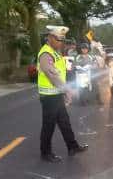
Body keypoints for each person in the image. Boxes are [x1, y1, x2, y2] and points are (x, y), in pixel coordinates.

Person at [37, 26, 88, 162]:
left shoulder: (56, 52)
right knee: (49, 125)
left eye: (62, 40)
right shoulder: (45, 54)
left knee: (64, 122)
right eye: (59, 39)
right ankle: (45, 153)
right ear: (50, 38)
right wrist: (68, 90)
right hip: (48, 97)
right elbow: (52, 75)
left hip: (56, 95)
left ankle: (72, 147)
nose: (61, 42)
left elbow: (61, 73)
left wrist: (64, 92)